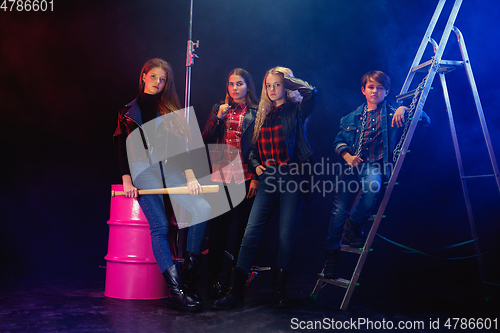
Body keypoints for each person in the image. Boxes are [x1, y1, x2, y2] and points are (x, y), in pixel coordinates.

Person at [212, 67, 317, 309]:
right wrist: (257, 166)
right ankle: (235, 291)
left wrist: (290, 79)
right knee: (250, 233)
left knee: (285, 235)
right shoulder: (261, 114)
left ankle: (278, 291)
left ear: (285, 86)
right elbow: (251, 151)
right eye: (268, 85)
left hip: (292, 178)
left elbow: (311, 93)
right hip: (269, 179)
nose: (272, 89)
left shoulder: (295, 110)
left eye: (277, 85)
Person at [113, 58, 211, 312]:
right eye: (154, 77)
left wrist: (190, 176)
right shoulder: (126, 112)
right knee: (161, 226)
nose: (158, 82)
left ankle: (188, 272)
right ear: (144, 75)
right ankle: (176, 291)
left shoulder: (170, 109)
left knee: (202, 208)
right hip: (142, 172)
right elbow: (121, 147)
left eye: (163, 79)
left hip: (170, 168)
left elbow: (181, 149)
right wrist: (127, 179)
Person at [322, 70, 430, 279]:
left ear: (386, 91)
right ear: (363, 90)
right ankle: (331, 260)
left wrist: (405, 108)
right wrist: (347, 156)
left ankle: (353, 227)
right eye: (371, 87)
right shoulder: (350, 117)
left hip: (373, 165)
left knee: (372, 187)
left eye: (380, 88)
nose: (375, 91)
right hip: (350, 166)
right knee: (337, 214)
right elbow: (338, 141)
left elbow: (425, 121)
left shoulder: (392, 113)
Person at [201, 68, 260, 300]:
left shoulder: (256, 112)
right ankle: (214, 279)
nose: (235, 88)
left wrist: (256, 177)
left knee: (243, 232)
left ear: (248, 86)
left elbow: (259, 146)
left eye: (240, 84)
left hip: (246, 175)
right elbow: (205, 137)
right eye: (231, 84)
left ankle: (233, 280)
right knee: (218, 231)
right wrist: (218, 118)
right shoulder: (219, 108)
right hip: (222, 175)